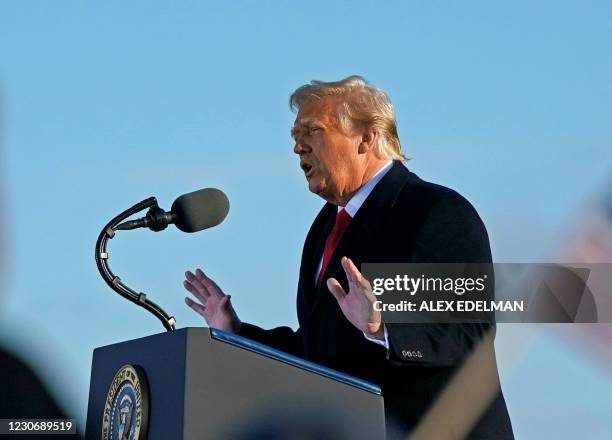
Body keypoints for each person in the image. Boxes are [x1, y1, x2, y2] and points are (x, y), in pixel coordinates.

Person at [182, 76, 514, 439]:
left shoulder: (434, 212)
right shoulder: (324, 228)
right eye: (295, 137)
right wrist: (238, 334)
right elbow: (318, 353)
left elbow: (469, 332)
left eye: (313, 130)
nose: (298, 148)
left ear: (367, 137)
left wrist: (382, 326)